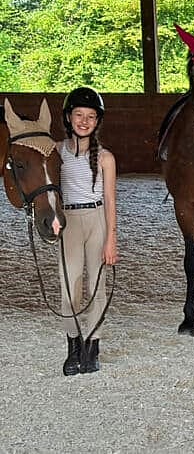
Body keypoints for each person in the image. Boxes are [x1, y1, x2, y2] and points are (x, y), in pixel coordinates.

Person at [56, 87, 119, 375]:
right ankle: (73, 343)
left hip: (96, 219)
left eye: (90, 116)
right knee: (69, 288)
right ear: (68, 117)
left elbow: (110, 200)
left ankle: (92, 345)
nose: (84, 121)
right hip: (69, 220)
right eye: (79, 115)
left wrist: (111, 239)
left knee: (96, 286)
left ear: (97, 121)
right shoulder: (57, 152)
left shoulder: (105, 157)